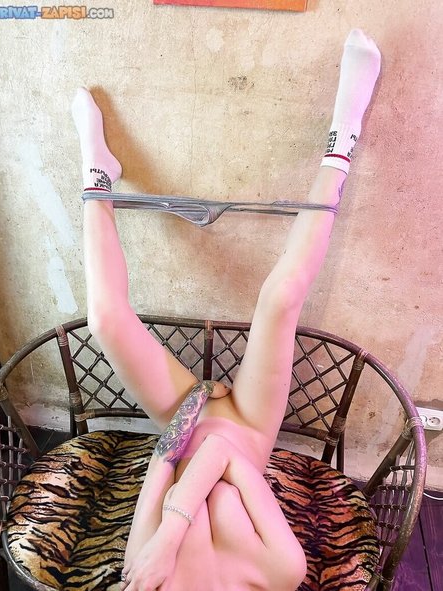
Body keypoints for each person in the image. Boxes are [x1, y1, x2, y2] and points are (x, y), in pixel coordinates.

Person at [71, 29, 381, 591]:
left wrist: (194, 402)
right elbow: (222, 452)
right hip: (251, 425)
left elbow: (165, 460)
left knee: (104, 320)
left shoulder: (144, 578)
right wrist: (170, 535)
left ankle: (96, 174)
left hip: (180, 420)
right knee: (280, 297)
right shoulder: (280, 572)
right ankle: (343, 137)